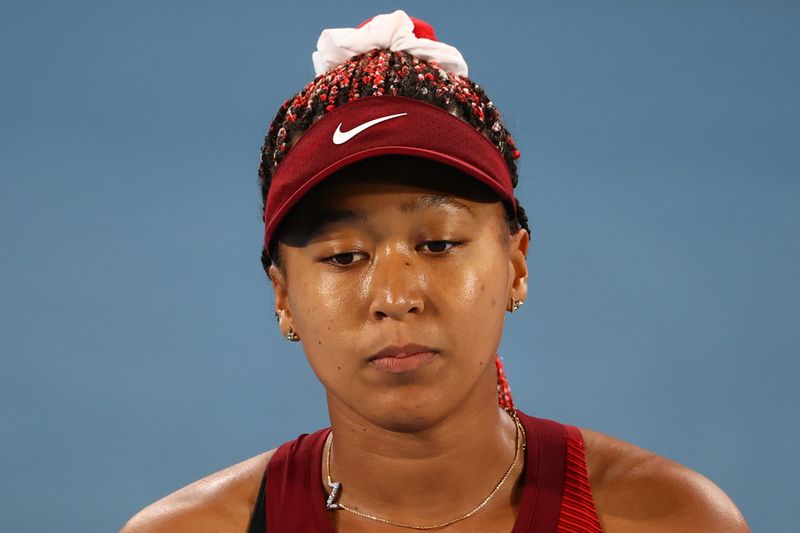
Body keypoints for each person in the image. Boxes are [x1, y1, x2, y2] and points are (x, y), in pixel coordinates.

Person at [121, 10, 749, 532]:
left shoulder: (669, 519)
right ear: (283, 296)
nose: (395, 297)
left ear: (516, 265)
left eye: (440, 244)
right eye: (344, 256)